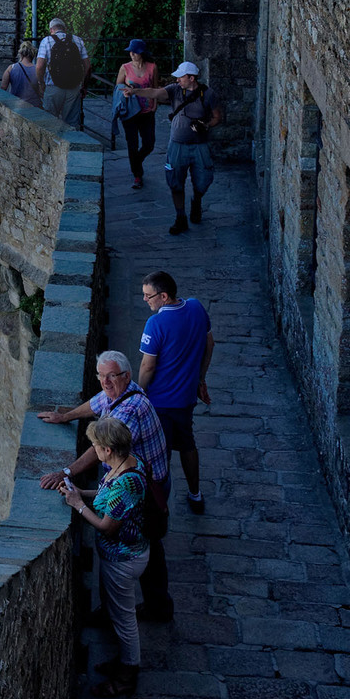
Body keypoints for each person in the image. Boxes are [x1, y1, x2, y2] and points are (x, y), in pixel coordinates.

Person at [39, 348, 173, 622]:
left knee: (145, 543)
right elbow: (96, 403)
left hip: (147, 487)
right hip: (139, 480)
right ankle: (133, 605)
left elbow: (103, 446)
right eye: (101, 376)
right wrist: (66, 417)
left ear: (126, 375)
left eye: (111, 377)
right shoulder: (120, 391)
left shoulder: (129, 409)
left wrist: (66, 471)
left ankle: (151, 607)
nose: (105, 382)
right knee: (145, 542)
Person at [55, 414, 149, 696]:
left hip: (123, 560)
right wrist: (81, 492)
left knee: (124, 620)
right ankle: (123, 662)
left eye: (95, 446)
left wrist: (76, 505)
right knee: (117, 612)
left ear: (107, 450)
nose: (93, 450)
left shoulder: (126, 483)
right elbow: (108, 493)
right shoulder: (126, 464)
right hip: (124, 556)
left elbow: (108, 527)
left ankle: (127, 673)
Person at [137, 268, 213, 516]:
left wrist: (139, 392)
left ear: (164, 296)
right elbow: (209, 344)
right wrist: (200, 379)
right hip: (186, 398)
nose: (145, 300)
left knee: (160, 455)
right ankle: (195, 494)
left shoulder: (156, 323)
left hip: (160, 401)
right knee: (188, 445)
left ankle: (159, 507)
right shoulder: (196, 307)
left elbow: (148, 365)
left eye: (149, 296)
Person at [164, 61, 222, 233]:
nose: (177, 80)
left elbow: (217, 116)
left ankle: (196, 200)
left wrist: (205, 124)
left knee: (203, 180)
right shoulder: (175, 90)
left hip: (199, 145)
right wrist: (136, 91)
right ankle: (180, 217)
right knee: (175, 182)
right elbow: (155, 93)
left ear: (191, 77)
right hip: (177, 145)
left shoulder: (208, 94)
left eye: (181, 77)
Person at [112, 37, 161, 189]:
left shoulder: (152, 67)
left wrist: (155, 105)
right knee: (132, 145)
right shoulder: (125, 68)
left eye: (135, 52)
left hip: (147, 111)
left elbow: (155, 88)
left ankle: (136, 161)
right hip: (130, 111)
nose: (132, 54)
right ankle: (137, 175)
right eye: (130, 51)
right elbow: (118, 86)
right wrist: (126, 92)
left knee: (149, 144)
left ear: (142, 53)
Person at [36, 17, 89, 125]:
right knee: (72, 123)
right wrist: (84, 85)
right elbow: (87, 66)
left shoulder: (46, 41)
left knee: (49, 122)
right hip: (74, 87)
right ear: (64, 29)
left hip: (52, 87)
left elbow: (39, 66)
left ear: (51, 30)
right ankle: (71, 141)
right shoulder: (78, 40)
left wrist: (41, 83)